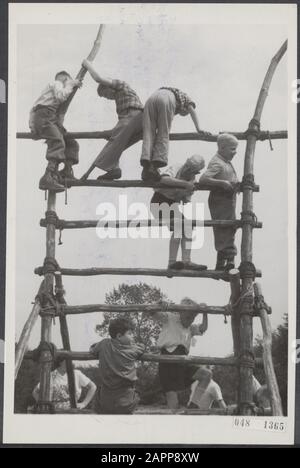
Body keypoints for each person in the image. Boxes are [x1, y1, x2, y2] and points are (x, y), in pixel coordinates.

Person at [80, 59, 144, 180]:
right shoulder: (120, 100)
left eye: (106, 94)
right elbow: (122, 124)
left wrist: (88, 65)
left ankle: (88, 173)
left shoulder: (121, 85)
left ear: (108, 87)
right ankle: (114, 169)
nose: (108, 98)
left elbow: (98, 78)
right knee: (117, 145)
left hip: (135, 116)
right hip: (135, 121)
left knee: (112, 145)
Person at [149, 297, 208, 412]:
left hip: (183, 362)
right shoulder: (169, 317)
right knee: (174, 405)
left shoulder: (191, 328)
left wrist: (205, 313)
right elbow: (151, 311)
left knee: (206, 374)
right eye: (188, 317)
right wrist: (159, 303)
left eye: (193, 317)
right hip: (168, 360)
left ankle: (193, 406)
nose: (190, 320)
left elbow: (203, 328)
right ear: (181, 312)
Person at [150, 154, 207, 271]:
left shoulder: (192, 180)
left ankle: (186, 261)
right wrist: (184, 184)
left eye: (191, 169)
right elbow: (164, 179)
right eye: (187, 166)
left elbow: (186, 200)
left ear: (196, 172)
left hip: (173, 205)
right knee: (179, 226)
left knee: (188, 227)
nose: (187, 170)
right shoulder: (177, 167)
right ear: (185, 163)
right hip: (159, 201)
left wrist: (187, 192)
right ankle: (171, 263)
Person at [140, 87, 210, 182]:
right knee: (163, 132)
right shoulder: (186, 99)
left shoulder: (173, 92)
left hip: (151, 98)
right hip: (166, 99)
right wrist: (199, 128)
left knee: (148, 133)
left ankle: (146, 167)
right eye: (184, 113)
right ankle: (154, 166)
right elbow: (192, 110)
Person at [29, 70, 82, 192]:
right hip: (44, 116)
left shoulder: (52, 94)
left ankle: (67, 170)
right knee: (58, 142)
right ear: (64, 80)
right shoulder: (56, 83)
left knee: (71, 143)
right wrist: (71, 84)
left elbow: (32, 111)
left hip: (50, 117)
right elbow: (61, 96)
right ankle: (48, 176)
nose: (69, 84)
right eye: (67, 82)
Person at [199, 133, 239, 271]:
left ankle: (224, 262)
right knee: (224, 229)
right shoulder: (217, 162)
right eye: (232, 149)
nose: (235, 152)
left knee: (229, 228)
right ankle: (228, 261)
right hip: (220, 199)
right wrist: (222, 183)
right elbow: (203, 179)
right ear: (222, 148)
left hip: (228, 200)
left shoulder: (225, 161)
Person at [90, 317, 145, 414]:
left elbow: (93, 348)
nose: (133, 336)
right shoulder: (133, 350)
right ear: (119, 336)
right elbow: (142, 347)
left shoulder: (104, 344)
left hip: (105, 401)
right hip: (126, 401)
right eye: (130, 334)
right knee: (136, 394)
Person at [32, 357, 96, 412]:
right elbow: (35, 392)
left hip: (72, 411)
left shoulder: (77, 373)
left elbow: (93, 387)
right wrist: (44, 406)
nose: (70, 363)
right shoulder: (51, 375)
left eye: (70, 361)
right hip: (54, 412)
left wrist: (84, 403)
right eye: (67, 361)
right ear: (60, 362)